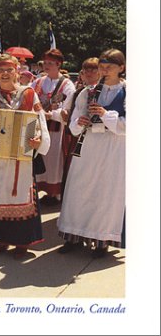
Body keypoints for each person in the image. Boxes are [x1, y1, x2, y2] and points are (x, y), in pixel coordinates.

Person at [0, 54, 50, 259]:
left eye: (9, 70)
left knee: (20, 195)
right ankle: (1, 240)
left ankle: (22, 243)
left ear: (17, 71)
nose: (5, 74)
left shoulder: (29, 94)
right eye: (0, 71)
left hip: (21, 157)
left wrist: (37, 140)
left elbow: (39, 123)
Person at [57, 49, 126, 258]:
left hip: (113, 147)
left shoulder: (129, 91)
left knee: (105, 192)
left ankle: (101, 240)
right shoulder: (88, 92)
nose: (104, 70)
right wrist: (80, 122)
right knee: (79, 188)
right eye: (102, 66)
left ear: (121, 68)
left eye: (110, 67)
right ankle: (74, 235)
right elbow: (73, 123)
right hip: (88, 145)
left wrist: (106, 115)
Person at [32, 49, 75, 205]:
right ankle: (38, 190)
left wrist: (52, 114)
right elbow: (29, 96)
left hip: (56, 128)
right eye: (45, 63)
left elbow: (69, 107)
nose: (47, 66)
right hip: (38, 126)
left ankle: (54, 194)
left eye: (51, 63)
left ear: (58, 64)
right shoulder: (38, 81)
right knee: (40, 157)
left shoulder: (67, 84)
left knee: (54, 159)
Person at [61, 57, 100, 198]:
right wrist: (76, 121)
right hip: (78, 138)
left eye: (93, 69)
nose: (89, 73)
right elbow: (68, 114)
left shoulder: (105, 91)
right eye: (86, 70)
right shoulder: (79, 92)